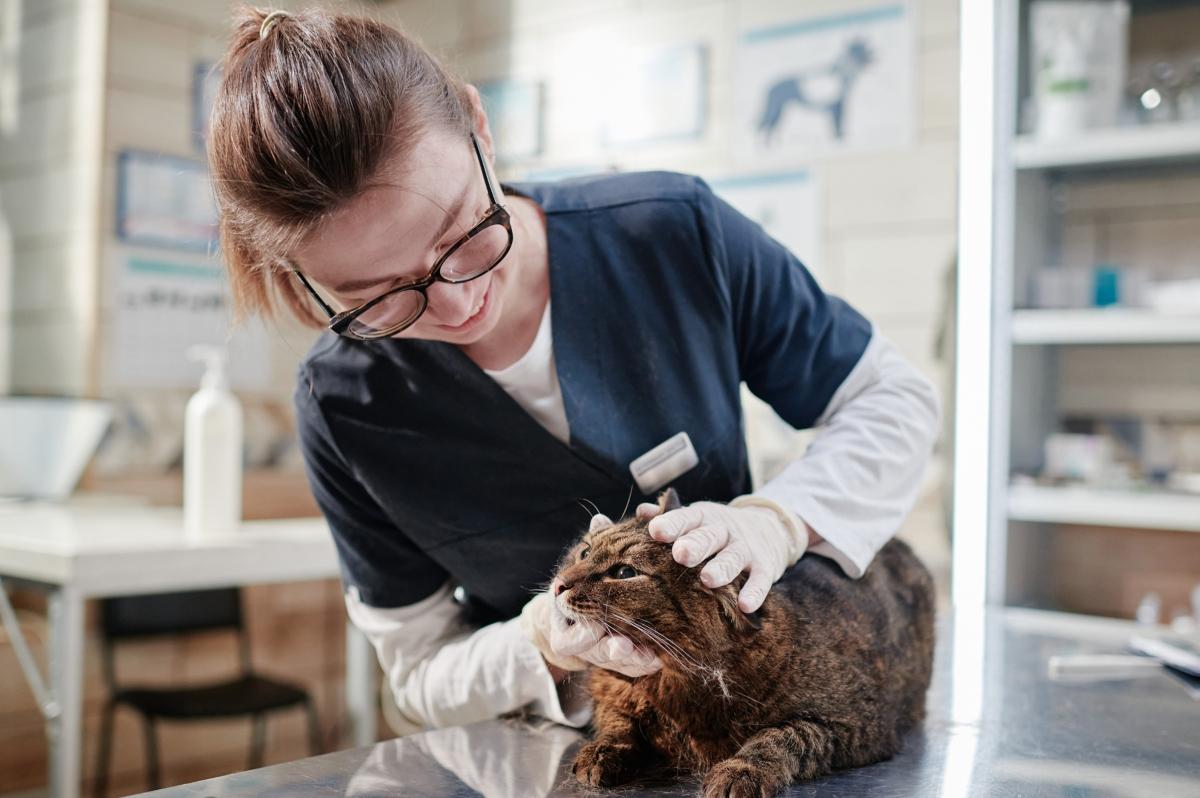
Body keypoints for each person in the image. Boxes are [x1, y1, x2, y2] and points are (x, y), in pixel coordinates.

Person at [208, 8, 940, 736]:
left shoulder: (669, 232)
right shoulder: (346, 405)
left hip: (742, 725)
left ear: (477, 125)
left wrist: (777, 524)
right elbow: (421, 675)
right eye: (380, 297)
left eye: (463, 231)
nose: (461, 305)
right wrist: (541, 644)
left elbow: (893, 400)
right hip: (554, 757)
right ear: (302, 277)